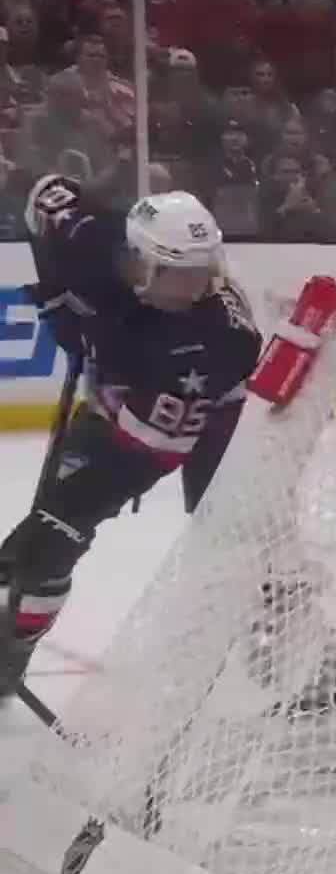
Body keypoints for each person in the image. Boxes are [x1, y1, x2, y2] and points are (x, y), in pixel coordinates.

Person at [1, 178, 261, 705]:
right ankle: (14, 652)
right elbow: (48, 194)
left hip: (203, 424)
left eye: (203, 274)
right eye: (178, 275)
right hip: (118, 402)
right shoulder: (97, 238)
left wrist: (57, 519)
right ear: (138, 261)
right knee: (48, 548)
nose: (194, 288)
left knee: (240, 539)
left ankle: (303, 646)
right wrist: (55, 269)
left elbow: (146, 452)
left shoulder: (215, 338)